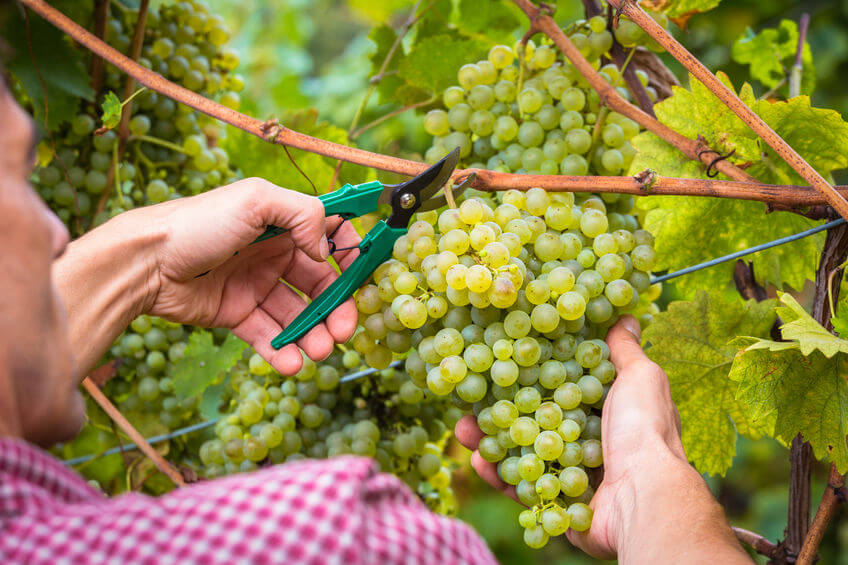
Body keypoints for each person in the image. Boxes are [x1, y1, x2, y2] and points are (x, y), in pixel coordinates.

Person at [0, 76, 751, 563]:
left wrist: (146, 259)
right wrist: (650, 484)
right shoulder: (340, 538)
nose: (64, 232)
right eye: (26, 180)